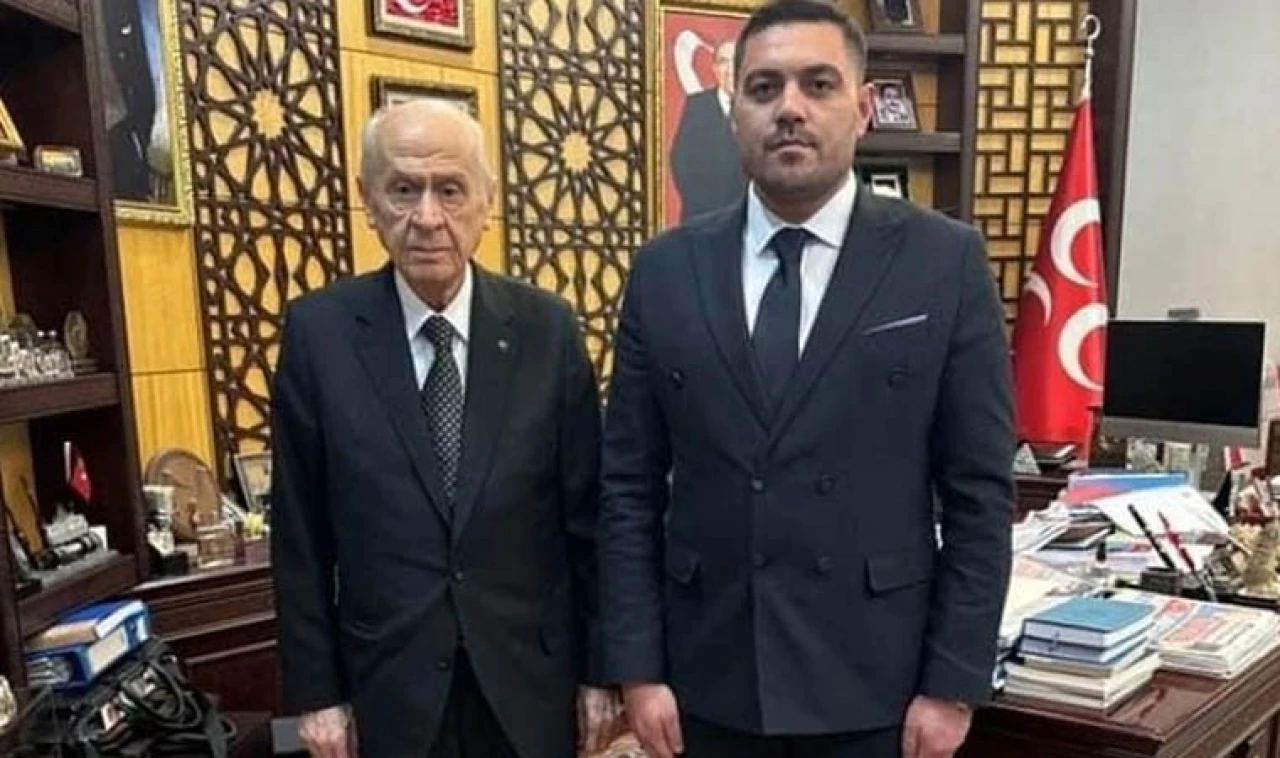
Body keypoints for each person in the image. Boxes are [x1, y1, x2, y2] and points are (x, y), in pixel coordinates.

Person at [599, 2, 1015, 757]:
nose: (789, 108)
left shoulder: (943, 262)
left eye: (818, 84)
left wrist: (953, 681)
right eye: (764, 88)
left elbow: (979, 493)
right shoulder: (665, 269)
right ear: (733, 111)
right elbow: (627, 487)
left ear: (863, 108)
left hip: (878, 682)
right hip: (707, 676)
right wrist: (637, 667)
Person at [271, 99, 621, 758]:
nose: (428, 217)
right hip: (389, 690)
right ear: (368, 199)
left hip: (530, 685)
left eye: (451, 190)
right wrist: (317, 694)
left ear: (487, 200)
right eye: (404, 190)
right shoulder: (319, 335)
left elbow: (589, 521)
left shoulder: (548, 331)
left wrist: (601, 672)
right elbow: (300, 537)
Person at [669, 40, 747, 223]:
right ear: (714, 68)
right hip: (702, 214)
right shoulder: (697, 106)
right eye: (723, 62)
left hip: (745, 218)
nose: (730, 70)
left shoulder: (758, 107)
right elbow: (680, 159)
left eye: (735, 62)